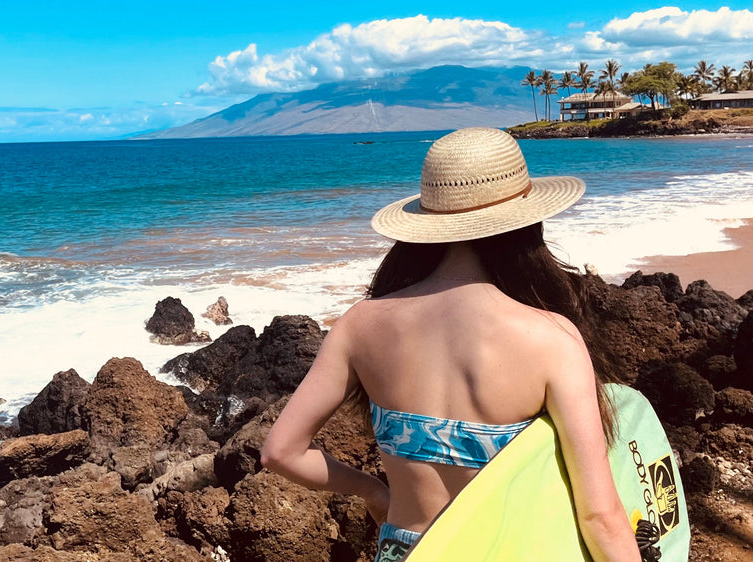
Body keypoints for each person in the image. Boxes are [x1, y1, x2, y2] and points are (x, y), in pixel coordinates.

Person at [261, 127, 640, 561]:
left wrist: (373, 491)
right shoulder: (551, 338)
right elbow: (600, 516)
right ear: (528, 222)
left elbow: (280, 452)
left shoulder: (359, 324)